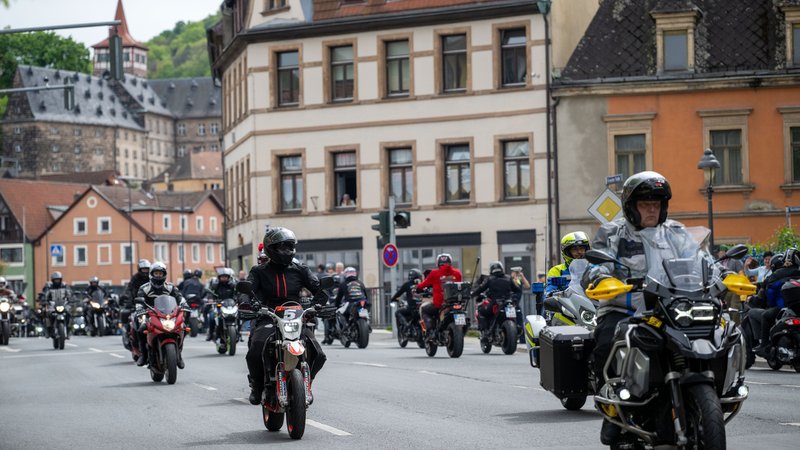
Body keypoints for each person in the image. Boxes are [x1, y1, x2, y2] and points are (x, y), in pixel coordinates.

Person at [581, 171, 719, 446]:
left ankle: (712, 393)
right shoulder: (613, 232)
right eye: (645, 204)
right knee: (608, 338)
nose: (652, 209)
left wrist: (719, 275)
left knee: (718, 331)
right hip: (627, 307)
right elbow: (594, 266)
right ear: (631, 207)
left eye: (657, 203)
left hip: (670, 306)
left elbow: (702, 260)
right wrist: (600, 277)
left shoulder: (676, 233)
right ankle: (612, 410)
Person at [241, 227, 327, 405]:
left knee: (319, 354)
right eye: (282, 247)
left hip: (295, 317)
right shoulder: (259, 271)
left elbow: (317, 287)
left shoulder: (300, 269)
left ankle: (306, 383)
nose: (287, 251)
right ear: (270, 249)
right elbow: (247, 289)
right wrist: (247, 302)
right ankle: (256, 385)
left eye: (289, 247)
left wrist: (320, 300)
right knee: (255, 350)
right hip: (268, 316)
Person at [134, 262, 186, 367]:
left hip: (168, 314)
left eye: (160, 273)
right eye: (156, 273)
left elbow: (180, 297)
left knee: (183, 327)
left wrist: (184, 304)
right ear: (151, 274)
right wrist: (140, 309)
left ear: (164, 274)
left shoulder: (171, 287)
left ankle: (179, 354)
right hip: (150, 314)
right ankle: (143, 355)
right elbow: (139, 302)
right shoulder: (144, 288)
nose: (158, 275)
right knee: (141, 328)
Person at [753, 248, 800, 357]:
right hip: (796, 309)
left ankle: (764, 344)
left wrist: (769, 305)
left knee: (765, 315)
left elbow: (770, 294)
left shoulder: (776, 275)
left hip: (781, 308)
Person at [416, 253, 462, 340]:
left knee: (423, 309)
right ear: (450, 262)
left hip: (439, 304)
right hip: (455, 303)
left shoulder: (434, 273)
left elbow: (423, 284)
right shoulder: (457, 273)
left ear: (438, 263)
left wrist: (418, 288)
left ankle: (430, 331)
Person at [473, 261, 521, 333]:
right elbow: (518, 290)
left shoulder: (490, 279)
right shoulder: (509, 278)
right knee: (517, 312)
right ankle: (517, 328)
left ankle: (485, 331)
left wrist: (471, 294)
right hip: (509, 303)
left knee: (480, 311)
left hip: (495, 303)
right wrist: (515, 300)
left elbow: (480, 289)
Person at [207, 267, 237, 342]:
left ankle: (238, 333)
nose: (224, 278)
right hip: (219, 305)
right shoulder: (215, 285)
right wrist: (210, 299)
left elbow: (238, 293)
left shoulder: (232, 285)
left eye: (226, 276)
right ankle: (210, 334)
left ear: (229, 277)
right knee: (211, 317)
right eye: (222, 276)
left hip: (230, 305)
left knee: (239, 315)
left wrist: (239, 299)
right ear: (219, 277)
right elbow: (210, 292)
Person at [43, 272, 73, 338]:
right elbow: (45, 295)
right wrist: (44, 300)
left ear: (61, 279)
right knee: (48, 314)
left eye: (58, 279)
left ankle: (69, 329)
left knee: (69, 314)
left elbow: (69, 294)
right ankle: (48, 330)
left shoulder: (65, 286)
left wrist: (71, 299)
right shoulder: (49, 287)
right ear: (52, 280)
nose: (57, 281)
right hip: (53, 305)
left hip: (63, 304)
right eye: (55, 280)